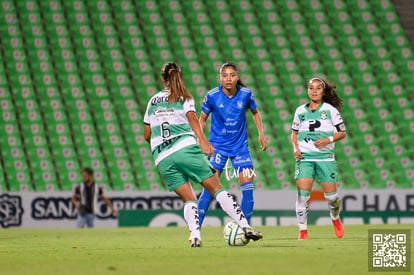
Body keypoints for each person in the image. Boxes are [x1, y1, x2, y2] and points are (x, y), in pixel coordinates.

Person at [143, 62, 263, 247]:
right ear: (180, 77)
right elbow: (193, 118)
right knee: (217, 189)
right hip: (187, 148)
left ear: (162, 79)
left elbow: (147, 135)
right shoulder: (185, 97)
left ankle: (195, 236)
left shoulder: (152, 101)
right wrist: (203, 141)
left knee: (189, 199)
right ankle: (246, 226)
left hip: (162, 157)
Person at [197, 62, 267, 226]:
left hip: (240, 148)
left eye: (232, 75)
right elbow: (202, 119)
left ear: (237, 77)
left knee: (248, 190)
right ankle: (196, 229)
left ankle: (246, 228)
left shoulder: (246, 94)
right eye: (225, 75)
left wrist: (261, 134)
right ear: (220, 78)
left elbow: (255, 113)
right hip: (217, 148)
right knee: (209, 188)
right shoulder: (212, 95)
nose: (228, 79)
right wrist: (202, 140)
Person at [291, 76, 346, 240]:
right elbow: (293, 134)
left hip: (325, 158)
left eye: (318, 88)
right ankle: (303, 231)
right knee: (302, 196)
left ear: (323, 92)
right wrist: (295, 148)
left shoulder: (330, 110)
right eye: (311, 88)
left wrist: (327, 140)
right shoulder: (300, 111)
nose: (314, 91)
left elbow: (342, 133)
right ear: (307, 90)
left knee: (332, 198)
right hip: (305, 158)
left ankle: (335, 218)